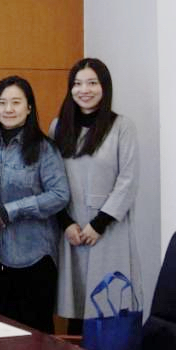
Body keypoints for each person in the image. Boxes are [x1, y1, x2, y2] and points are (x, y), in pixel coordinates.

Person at [51, 58, 140, 335]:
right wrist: (65, 222)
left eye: (92, 83)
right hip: (72, 230)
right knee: (76, 306)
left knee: (108, 303)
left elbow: (128, 180)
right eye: (77, 84)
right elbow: (50, 179)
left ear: (105, 87)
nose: (84, 90)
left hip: (108, 228)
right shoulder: (59, 126)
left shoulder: (122, 126)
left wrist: (99, 224)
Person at [0, 76, 69, 332]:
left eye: (16, 102)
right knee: (5, 334)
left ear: (29, 107)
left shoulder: (44, 148)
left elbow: (60, 195)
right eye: (2, 103)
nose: (8, 109)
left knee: (37, 335)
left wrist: (13, 210)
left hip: (35, 256)